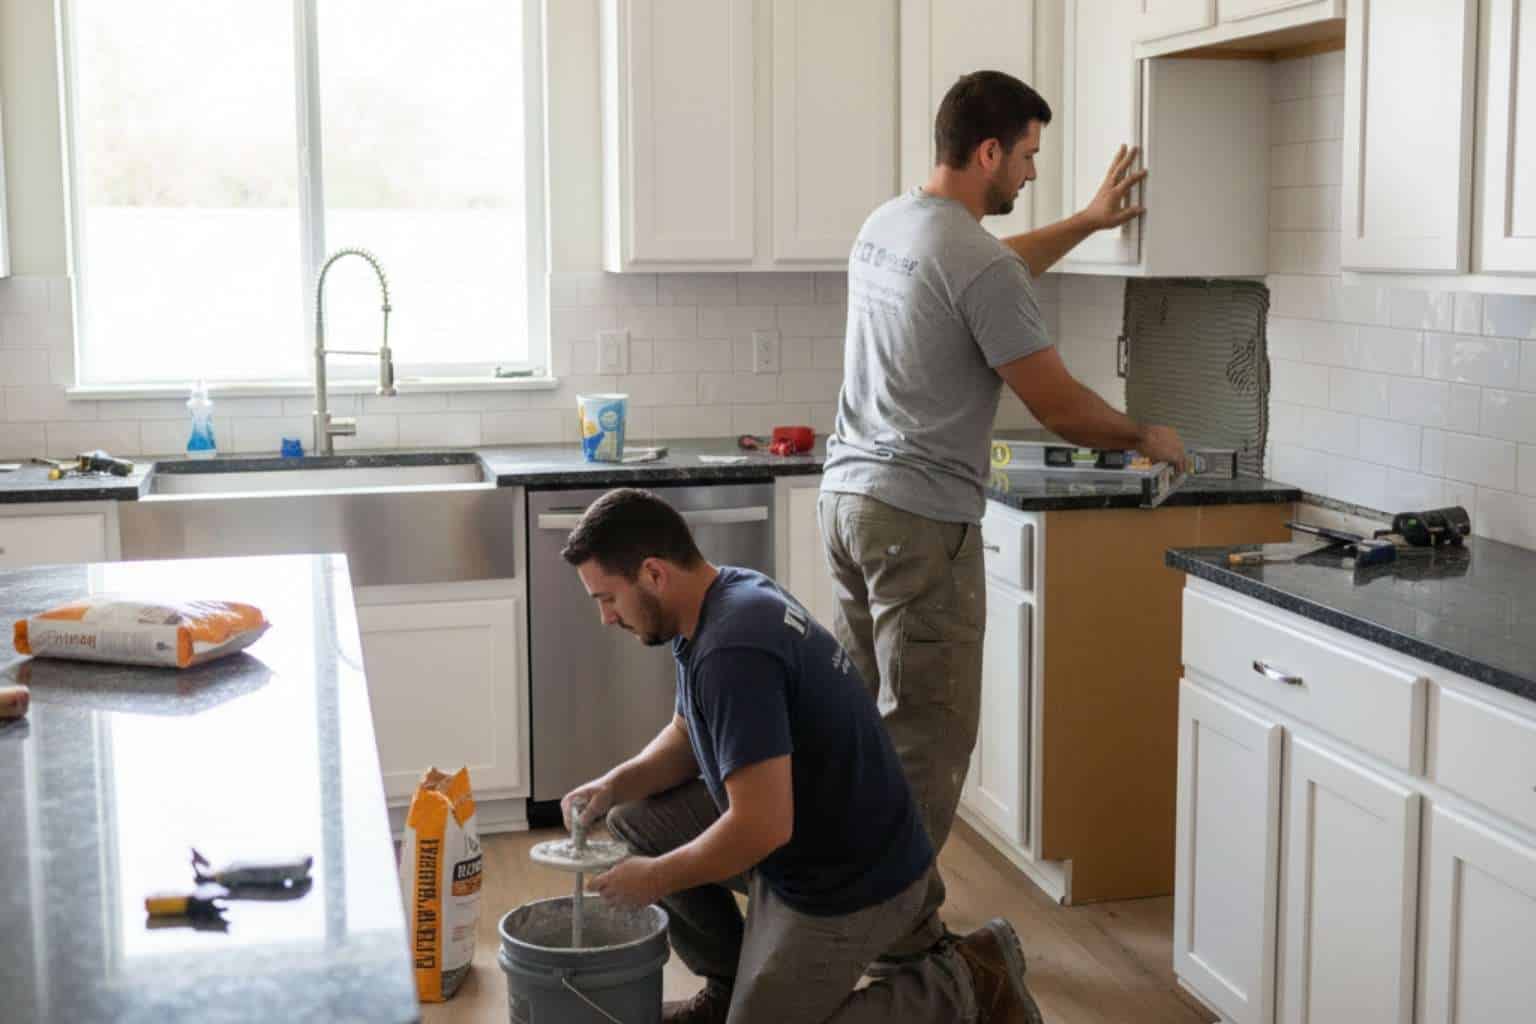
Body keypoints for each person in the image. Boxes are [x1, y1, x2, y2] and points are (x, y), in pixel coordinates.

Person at [818, 69, 1189, 962]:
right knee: (927, 739)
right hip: (917, 523)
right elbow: (1059, 406)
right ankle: (893, 946)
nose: (1030, 172)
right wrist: (1147, 434)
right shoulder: (974, 261)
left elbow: (991, 269)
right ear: (988, 151)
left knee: (863, 732)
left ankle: (837, 911)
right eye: (1026, 155)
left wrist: (1087, 223)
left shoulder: (890, 225)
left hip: (850, 507)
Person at [560, 487, 1044, 1024]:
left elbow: (760, 826)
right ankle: (727, 987)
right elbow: (687, 733)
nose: (606, 617)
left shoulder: (732, 649)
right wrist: (614, 784)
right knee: (634, 819)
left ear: (653, 574)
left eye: (607, 598)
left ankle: (966, 982)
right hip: (806, 841)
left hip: (851, 879)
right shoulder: (716, 601)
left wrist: (655, 878)